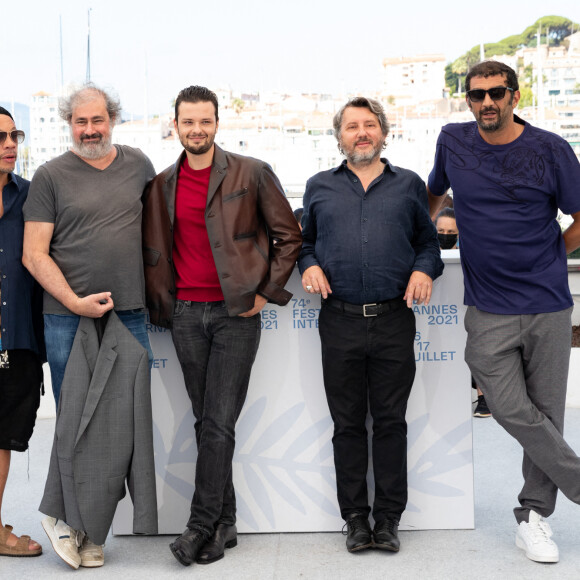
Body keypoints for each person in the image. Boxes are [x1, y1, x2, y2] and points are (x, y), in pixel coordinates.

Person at [142, 85, 302, 567]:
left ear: (217, 123)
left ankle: (197, 526)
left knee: (216, 423)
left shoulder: (250, 173)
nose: (197, 130)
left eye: (205, 121)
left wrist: (264, 292)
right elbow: (153, 250)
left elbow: (288, 236)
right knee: (210, 424)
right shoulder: (161, 184)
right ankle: (224, 524)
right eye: (188, 122)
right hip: (186, 315)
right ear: (175, 125)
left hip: (236, 316)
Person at [428, 60, 580, 564]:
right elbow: (431, 198)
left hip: (548, 304)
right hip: (487, 305)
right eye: (477, 95)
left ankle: (533, 517)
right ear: (466, 100)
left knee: (548, 411)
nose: (486, 102)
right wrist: (418, 249)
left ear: (515, 96)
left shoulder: (551, 150)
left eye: (496, 92)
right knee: (510, 405)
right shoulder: (453, 141)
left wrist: (554, 252)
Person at [299, 97, 443, 553]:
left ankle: (389, 520)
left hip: (393, 321)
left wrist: (424, 269)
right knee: (346, 425)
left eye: (369, 125)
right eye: (351, 127)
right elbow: (304, 244)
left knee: (390, 423)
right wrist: (308, 264)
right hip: (338, 320)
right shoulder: (319, 186)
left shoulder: (408, 186)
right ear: (338, 136)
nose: (360, 133)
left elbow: (428, 244)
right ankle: (356, 520)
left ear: (383, 132)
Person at [22, 84, 157, 569]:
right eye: (80, 122)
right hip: (67, 320)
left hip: (130, 316)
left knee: (122, 430)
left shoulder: (139, 165)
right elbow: (33, 253)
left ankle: (92, 530)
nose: (89, 130)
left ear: (113, 119)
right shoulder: (50, 175)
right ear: (69, 125)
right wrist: (74, 301)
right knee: (76, 427)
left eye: (97, 120)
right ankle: (71, 524)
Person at [0, 107, 44, 558]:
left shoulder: (31, 197)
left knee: (4, 437)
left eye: (15, 134)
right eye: (0, 137)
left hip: (17, 337)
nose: (11, 144)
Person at [435, 207, 491, 418]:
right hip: (436, 312)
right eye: (441, 231)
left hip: (467, 308)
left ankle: (484, 398)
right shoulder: (424, 249)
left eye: (451, 233)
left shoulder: (472, 249)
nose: (445, 236)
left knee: (477, 350)